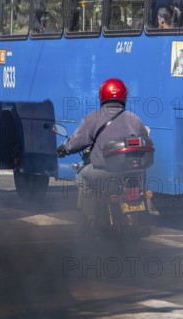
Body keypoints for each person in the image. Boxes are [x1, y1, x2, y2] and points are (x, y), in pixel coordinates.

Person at [57, 78, 149, 221]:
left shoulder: (94, 117)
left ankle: (89, 217)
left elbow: (78, 141)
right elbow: (145, 137)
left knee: (81, 176)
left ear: (102, 96)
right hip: (131, 173)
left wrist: (64, 149)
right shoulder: (134, 119)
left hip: (103, 172)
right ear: (124, 96)